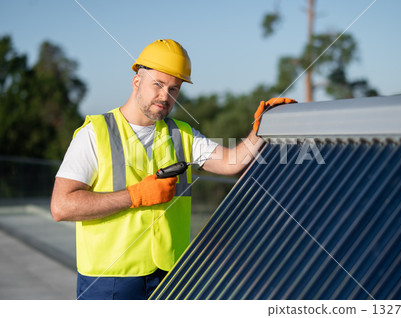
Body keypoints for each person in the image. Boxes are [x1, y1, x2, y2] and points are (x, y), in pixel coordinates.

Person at [51, 39, 296, 300]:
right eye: (157, 84)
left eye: (174, 89)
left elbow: (232, 162)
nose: (165, 96)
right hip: (109, 280)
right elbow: (62, 206)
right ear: (137, 82)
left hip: (170, 277)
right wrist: (134, 196)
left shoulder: (182, 134)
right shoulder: (95, 133)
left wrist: (260, 129)